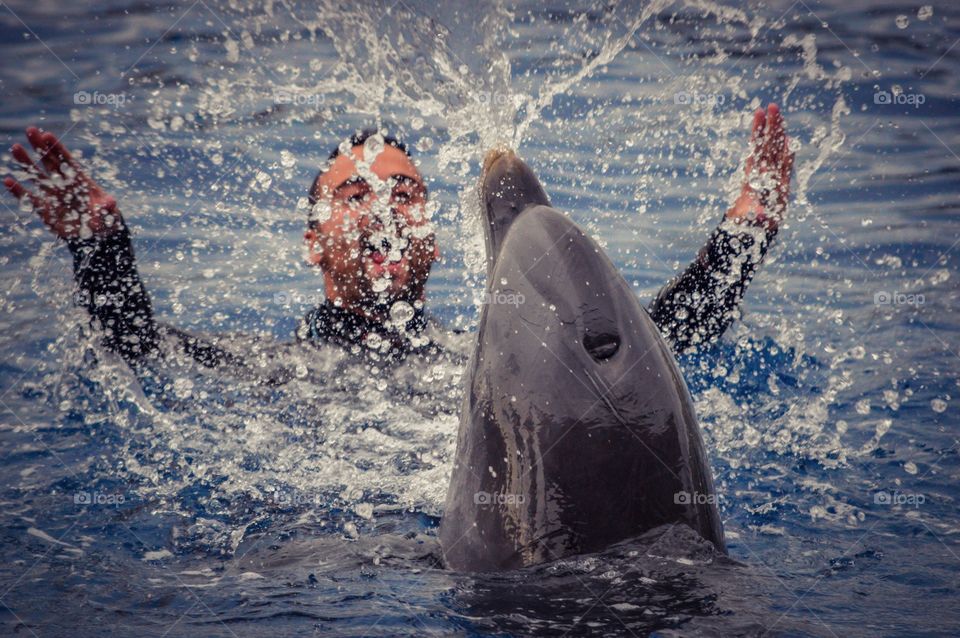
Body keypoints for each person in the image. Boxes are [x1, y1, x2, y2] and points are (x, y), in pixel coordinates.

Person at [4, 104, 793, 378]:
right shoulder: (271, 371)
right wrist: (100, 247)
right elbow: (137, 348)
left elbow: (649, 349)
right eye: (355, 194)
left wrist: (745, 231)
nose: (385, 205)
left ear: (439, 244)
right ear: (312, 243)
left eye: (408, 193)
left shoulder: (482, 361)